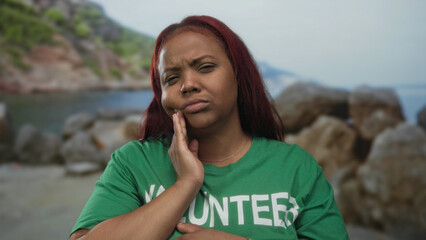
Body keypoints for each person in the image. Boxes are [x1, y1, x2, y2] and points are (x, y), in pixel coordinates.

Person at [70, 15, 349, 240]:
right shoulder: (133, 162)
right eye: (171, 78)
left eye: (204, 67)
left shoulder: (296, 167)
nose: (187, 84)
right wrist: (185, 185)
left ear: (239, 75)